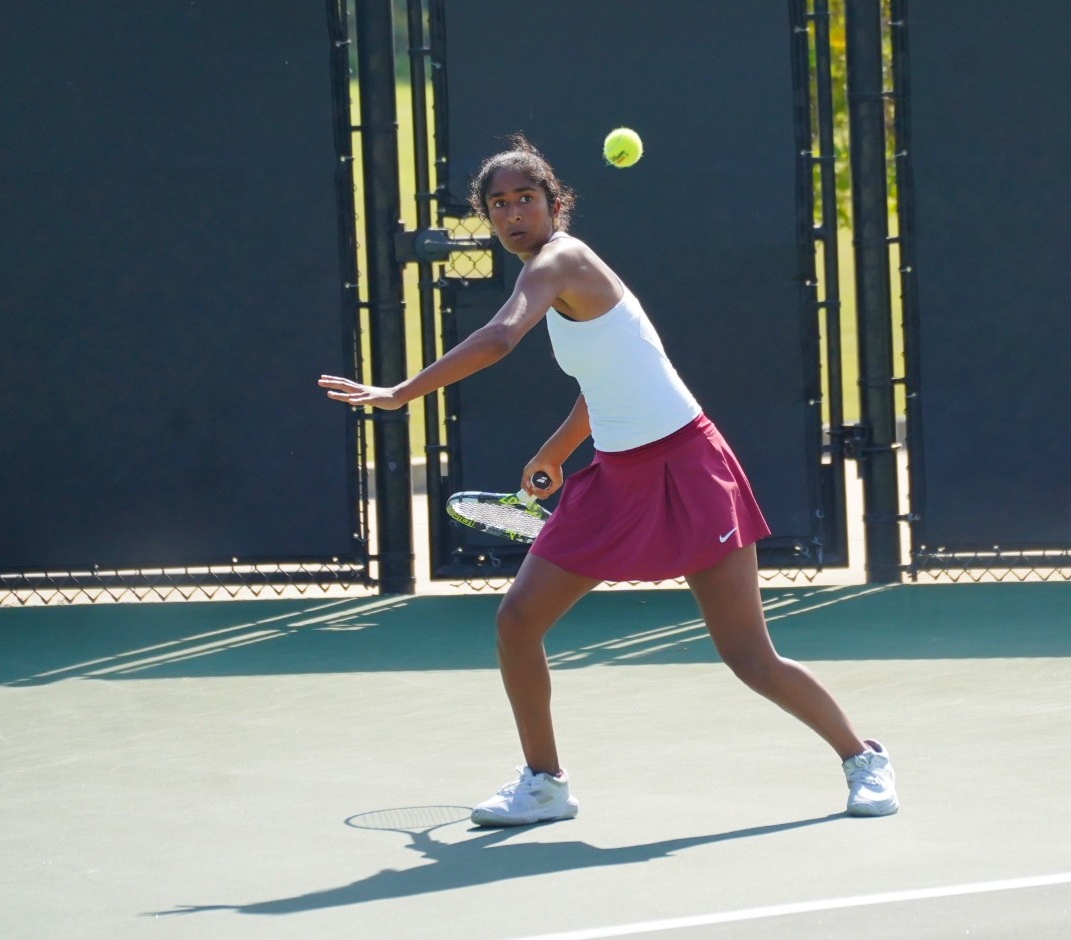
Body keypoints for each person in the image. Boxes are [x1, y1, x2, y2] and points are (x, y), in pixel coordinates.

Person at [318, 135, 897, 825]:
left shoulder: (559, 259)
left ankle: (864, 757)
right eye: (498, 205)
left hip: (687, 465)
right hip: (616, 476)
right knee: (517, 621)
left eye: (524, 200)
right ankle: (544, 782)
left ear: (555, 206)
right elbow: (604, 382)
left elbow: (501, 339)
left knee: (747, 656)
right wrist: (559, 451)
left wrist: (400, 392)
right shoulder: (546, 271)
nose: (511, 215)